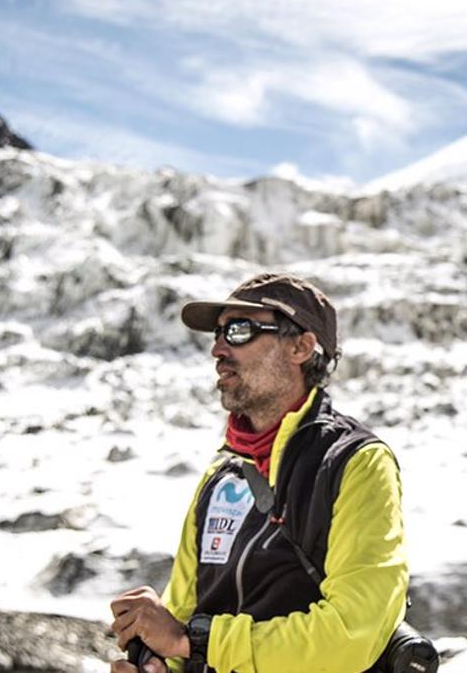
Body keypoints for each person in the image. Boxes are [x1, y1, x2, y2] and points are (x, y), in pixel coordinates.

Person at [108, 273, 408, 673]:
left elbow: (353, 634)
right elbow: (183, 615)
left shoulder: (357, 463)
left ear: (301, 347)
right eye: (217, 334)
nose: (217, 349)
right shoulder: (222, 474)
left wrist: (192, 641)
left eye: (238, 330)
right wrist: (158, 663)